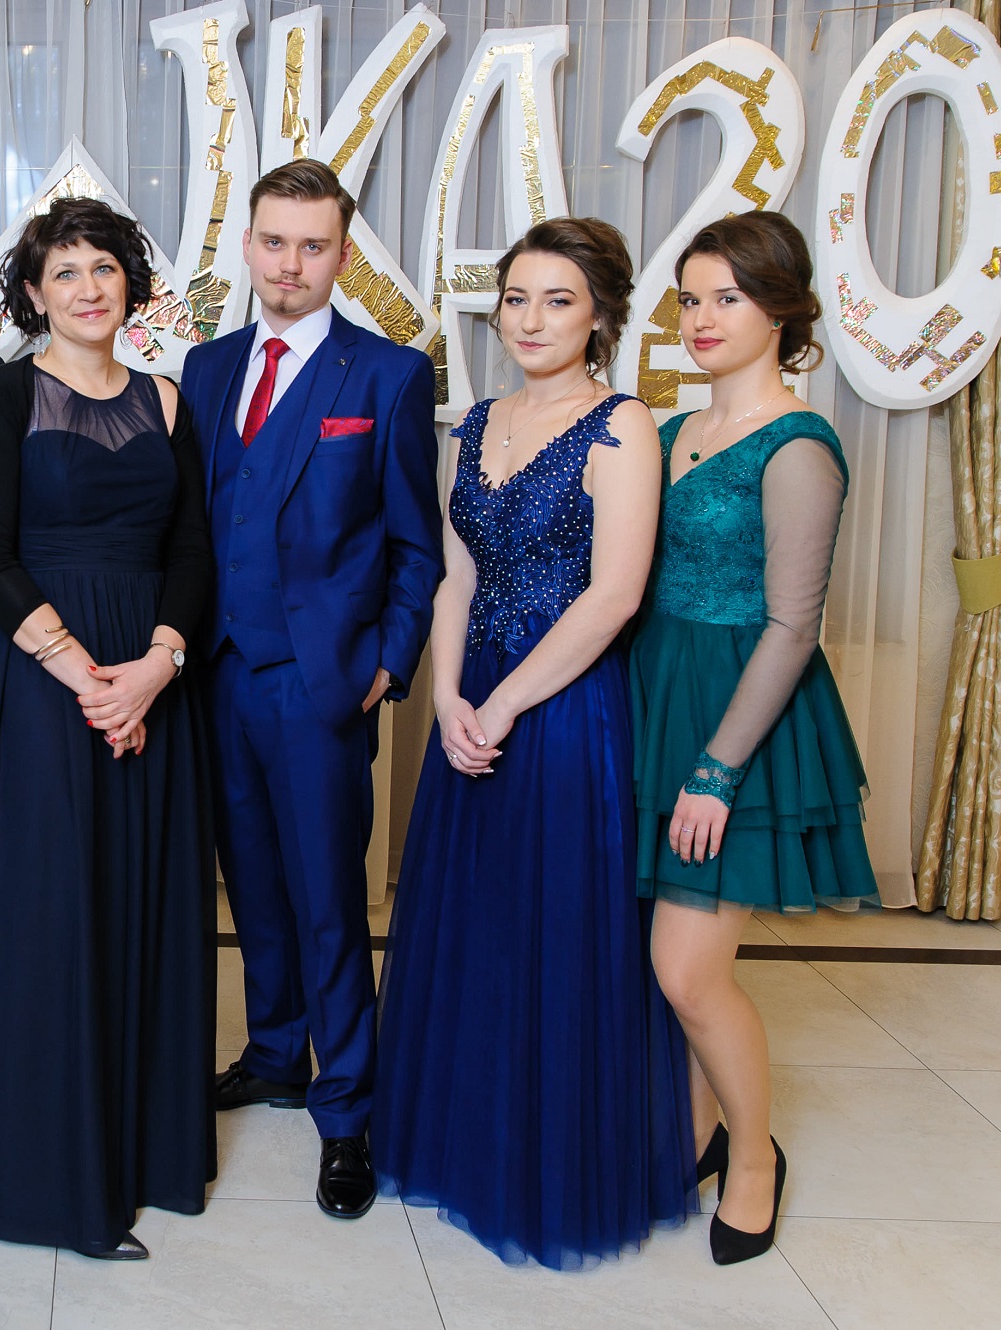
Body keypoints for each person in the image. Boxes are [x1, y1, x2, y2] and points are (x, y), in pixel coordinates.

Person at [370, 217, 695, 1269]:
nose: (531, 320)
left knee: (554, 929)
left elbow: (613, 597)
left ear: (599, 315)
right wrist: (448, 696)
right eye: (516, 298)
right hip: (472, 703)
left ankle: (546, 1159)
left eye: (558, 300)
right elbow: (455, 577)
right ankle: (465, 1136)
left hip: (562, 710)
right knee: (475, 922)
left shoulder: (623, 426)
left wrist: (504, 704)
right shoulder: (474, 423)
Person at [0, 197, 217, 1261]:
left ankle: (142, 1152)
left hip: (148, 676)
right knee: (48, 915)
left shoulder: (167, 399)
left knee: (141, 907)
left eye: (104, 268)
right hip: (41, 678)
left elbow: (192, 550)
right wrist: (85, 680)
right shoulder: (3, 395)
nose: (88, 289)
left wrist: (156, 666)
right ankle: (48, 1179)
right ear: (32, 295)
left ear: (129, 283)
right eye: (65, 273)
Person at [178, 159, 441, 1220]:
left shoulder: (387, 377)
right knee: (251, 886)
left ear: (342, 254)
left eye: (313, 245)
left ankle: (347, 1110)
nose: (290, 265)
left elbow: (416, 544)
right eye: (275, 242)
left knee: (329, 901)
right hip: (216, 675)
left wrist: (388, 661)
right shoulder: (205, 368)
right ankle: (277, 1052)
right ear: (248, 246)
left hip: (320, 682)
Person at [633, 211, 878, 1265]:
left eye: (726, 298)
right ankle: (698, 1132)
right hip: (655, 693)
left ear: (780, 309)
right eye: (690, 298)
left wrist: (715, 770)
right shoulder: (666, 432)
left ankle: (754, 1158)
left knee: (687, 971)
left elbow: (792, 627)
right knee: (667, 963)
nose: (701, 317)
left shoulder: (797, 444)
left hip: (738, 721)